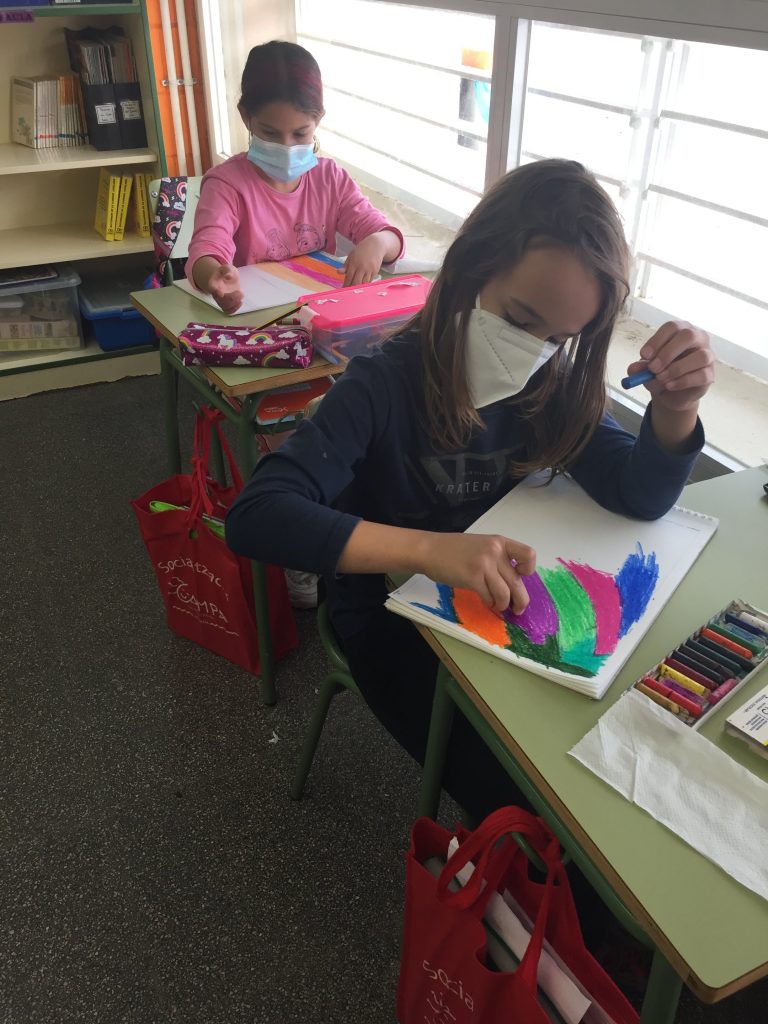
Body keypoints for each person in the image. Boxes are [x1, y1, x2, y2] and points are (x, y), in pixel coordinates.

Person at [225, 158, 715, 824]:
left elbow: (641, 495)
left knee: (598, 774)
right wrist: (431, 551)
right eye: (520, 318)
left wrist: (677, 408)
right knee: (526, 800)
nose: (533, 349)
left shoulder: (547, 385)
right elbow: (258, 516)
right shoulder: (381, 385)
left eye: (559, 338)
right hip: (390, 618)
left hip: (501, 611)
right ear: (470, 270)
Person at [186, 39, 405, 316]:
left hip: (319, 316)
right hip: (252, 318)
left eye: (300, 133)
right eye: (270, 133)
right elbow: (206, 248)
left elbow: (389, 238)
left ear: (318, 120)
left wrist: (378, 243)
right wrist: (214, 276)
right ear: (245, 117)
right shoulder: (226, 185)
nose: (287, 146)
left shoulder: (330, 179)